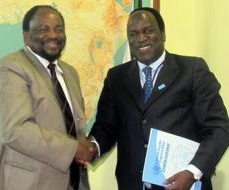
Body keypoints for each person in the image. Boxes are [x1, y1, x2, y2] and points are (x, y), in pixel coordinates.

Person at [87, 7, 229, 190]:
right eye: (133, 34)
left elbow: (218, 128)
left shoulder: (193, 70)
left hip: (184, 184)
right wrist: (92, 147)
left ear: (162, 34)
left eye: (148, 31)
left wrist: (193, 172)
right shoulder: (116, 78)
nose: (141, 38)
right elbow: (105, 128)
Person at [0, 5, 95, 190]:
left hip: (74, 182)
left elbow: (72, 127)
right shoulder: (10, 68)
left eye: (59, 29)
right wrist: (74, 149)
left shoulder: (69, 73)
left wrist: (87, 147)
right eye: (43, 29)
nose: (53, 35)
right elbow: (16, 130)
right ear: (26, 35)